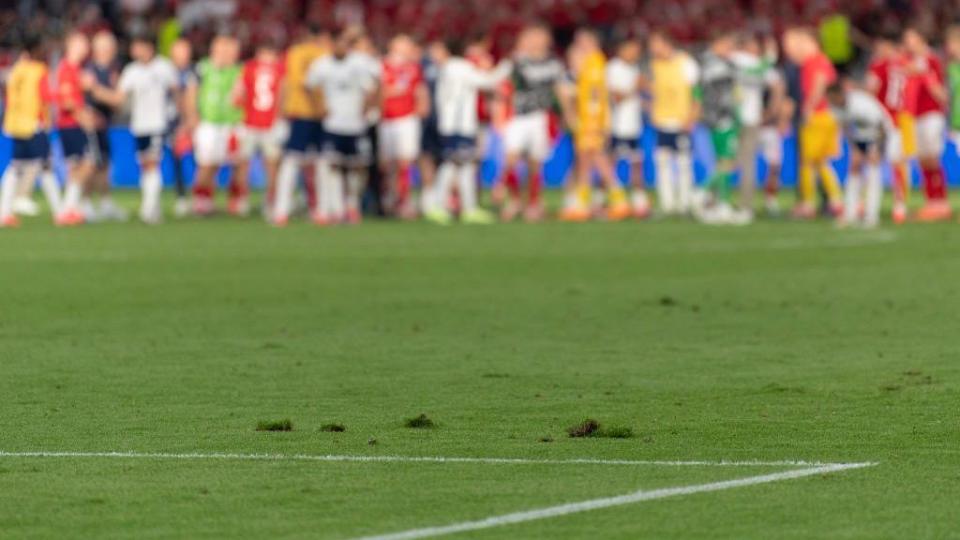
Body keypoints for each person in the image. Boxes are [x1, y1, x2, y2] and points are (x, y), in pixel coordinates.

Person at [85, 33, 179, 224]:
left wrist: (179, 118)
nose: (134, 50)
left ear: (149, 47)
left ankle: (148, 208)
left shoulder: (164, 67)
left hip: (158, 124)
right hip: (139, 125)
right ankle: (153, 207)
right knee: (146, 165)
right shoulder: (132, 71)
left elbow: (177, 92)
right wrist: (95, 89)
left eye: (137, 46)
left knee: (152, 163)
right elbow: (118, 98)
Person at [425, 38, 510, 225]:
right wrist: (506, 67)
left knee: (460, 165)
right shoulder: (461, 67)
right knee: (456, 164)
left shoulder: (447, 69)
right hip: (460, 125)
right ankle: (445, 206)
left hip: (450, 124)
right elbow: (487, 81)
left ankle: (464, 207)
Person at [305, 29, 378, 224]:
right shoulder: (322, 65)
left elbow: (373, 87)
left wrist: (368, 108)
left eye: (345, 44)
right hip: (332, 124)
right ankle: (332, 208)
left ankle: (352, 205)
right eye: (337, 43)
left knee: (356, 167)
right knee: (331, 166)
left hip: (356, 124)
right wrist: (318, 107)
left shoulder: (359, 64)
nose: (341, 48)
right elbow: (309, 86)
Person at [494, 25, 565, 222]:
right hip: (518, 116)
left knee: (535, 164)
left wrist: (567, 114)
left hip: (540, 117)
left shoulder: (553, 63)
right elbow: (499, 87)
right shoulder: (516, 62)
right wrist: (499, 115)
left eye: (539, 37)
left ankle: (532, 203)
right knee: (510, 159)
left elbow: (559, 89)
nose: (535, 41)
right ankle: (514, 199)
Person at [559, 29, 630, 222]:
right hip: (591, 118)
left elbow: (595, 95)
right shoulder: (596, 62)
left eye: (582, 41)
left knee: (592, 160)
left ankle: (593, 203)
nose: (578, 46)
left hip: (592, 119)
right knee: (590, 160)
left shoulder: (594, 63)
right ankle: (611, 200)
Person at [272, 25, 330, 225]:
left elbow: (289, 83)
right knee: (319, 163)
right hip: (317, 114)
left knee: (292, 162)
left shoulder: (294, 54)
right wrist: (321, 106)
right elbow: (309, 84)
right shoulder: (323, 54)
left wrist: (281, 112)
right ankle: (320, 210)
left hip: (298, 113)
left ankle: (281, 210)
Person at [784, 26, 843, 219]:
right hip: (825, 115)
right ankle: (834, 200)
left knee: (809, 162)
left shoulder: (816, 61)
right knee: (819, 163)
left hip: (818, 115)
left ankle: (809, 203)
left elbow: (819, 83)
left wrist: (809, 107)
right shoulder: (816, 61)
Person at [0, 35, 56, 228]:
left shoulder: (15, 71)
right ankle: (60, 211)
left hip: (15, 124)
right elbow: (46, 97)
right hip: (34, 124)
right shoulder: (39, 70)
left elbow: (8, 98)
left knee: (15, 167)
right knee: (46, 164)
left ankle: (4, 213)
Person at [827, 79, 898, 229]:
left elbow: (881, 125)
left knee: (873, 169)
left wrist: (877, 149)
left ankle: (872, 215)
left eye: (834, 98)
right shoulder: (835, 107)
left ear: (841, 94)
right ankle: (850, 213)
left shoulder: (860, 104)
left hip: (879, 134)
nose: (832, 101)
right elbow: (846, 128)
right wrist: (854, 149)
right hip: (859, 137)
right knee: (854, 168)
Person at [696, 31, 750, 225]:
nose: (730, 51)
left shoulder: (710, 64)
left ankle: (721, 204)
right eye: (727, 46)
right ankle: (702, 192)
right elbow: (746, 73)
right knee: (727, 161)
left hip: (718, 118)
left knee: (724, 161)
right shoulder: (715, 65)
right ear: (716, 44)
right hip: (722, 119)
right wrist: (768, 60)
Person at [648, 31, 700, 216]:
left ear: (665, 43)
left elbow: (696, 93)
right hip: (662, 121)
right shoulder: (655, 65)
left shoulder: (686, 63)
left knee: (684, 163)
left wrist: (692, 117)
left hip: (681, 120)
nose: (652, 48)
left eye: (655, 44)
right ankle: (667, 204)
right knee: (662, 162)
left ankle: (684, 203)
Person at [233, 37, 286, 220]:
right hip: (270, 123)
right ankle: (269, 202)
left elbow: (238, 94)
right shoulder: (280, 69)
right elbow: (282, 94)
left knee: (244, 164)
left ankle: (243, 200)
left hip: (250, 122)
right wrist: (280, 117)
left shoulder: (249, 68)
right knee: (271, 166)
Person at [192, 34, 244, 216]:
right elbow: (191, 93)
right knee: (207, 163)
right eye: (224, 49)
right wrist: (192, 119)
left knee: (239, 162)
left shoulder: (240, 71)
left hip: (233, 123)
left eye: (231, 50)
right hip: (209, 123)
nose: (228, 54)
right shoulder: (202, 68)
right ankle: (202, 199)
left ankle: (236, 200)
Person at [903, 27, 950, 221]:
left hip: (932, 114)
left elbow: (940, 91)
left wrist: (926, 75)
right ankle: (931, 202)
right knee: (922, 159)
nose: (907, 43)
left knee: (932, 158)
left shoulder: (931, 60)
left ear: (921, 40)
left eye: (911, 39)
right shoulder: (910, 61)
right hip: (916, 115)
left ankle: (941, 202)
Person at [379, 34, 428, 219]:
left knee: (405, 162)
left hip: (407, 119)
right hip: (387, 119)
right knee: (387, 164)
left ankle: (403, 201)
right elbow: (378, 90)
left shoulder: (413, 68)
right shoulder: (381, 65)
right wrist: (392, 92)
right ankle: (387, 200)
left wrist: (422, 106)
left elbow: (419, 89)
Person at [731, 33, 779, 218]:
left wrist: (771, 110)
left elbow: (776, 85)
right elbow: (775, 83)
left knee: (742, 162)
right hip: (742, 118)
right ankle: (741, 204)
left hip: (744, 119)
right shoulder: (751, 62)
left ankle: (743, 205)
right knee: (740, 162)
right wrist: (770, 56)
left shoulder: (743, 61)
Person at [866, 32, 912, 223]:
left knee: (875, 158)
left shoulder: (879, 65)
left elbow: (871, 89)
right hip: (904, 118)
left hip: (882, 117)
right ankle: (900, 205)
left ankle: (871, 203)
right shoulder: (907, 63)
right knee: (898, 162)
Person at [83, 30, 127, 222]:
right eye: (105, 47)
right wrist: (109, 96)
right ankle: (84, 203)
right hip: (89, 126)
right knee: (90, 165)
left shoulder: (112, 70)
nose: (110, 50)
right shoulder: (89, 69)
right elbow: (90, 94)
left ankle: (105, 202)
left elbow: (116, 101)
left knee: (103, 165)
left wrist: (107, 96)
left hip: (104, 124)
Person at [606, 37, 650, 219]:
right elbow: (615, 97)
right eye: (632, 49)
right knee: (610, 164)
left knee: (636, 163)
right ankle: (606, 199)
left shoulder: (635, 69)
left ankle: (639, 202)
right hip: (617, 126)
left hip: (634, 125)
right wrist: (635, 87)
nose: (635, 54)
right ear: (622, 49)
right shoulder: (612, 68)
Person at [54, 31, 95, 225]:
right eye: (82, 43)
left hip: (74, 123)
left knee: (80, 166)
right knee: (85, 164)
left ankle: (68, 208)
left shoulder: (77, 69)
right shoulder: (66, 68)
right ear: (71, 45)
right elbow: (66, 101)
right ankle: (67, 208)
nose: (86, 48)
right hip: (70, 124)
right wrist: (83, 116)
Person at [169, 38, 198, 218]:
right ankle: (181, 197)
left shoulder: (195, 71)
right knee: (177, 160)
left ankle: (200, 196)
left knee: (200, 160)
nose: (183, 55)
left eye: (185, 51)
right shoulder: (167, 72)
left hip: (194, 121)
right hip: (172, 122)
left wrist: (191, 120)